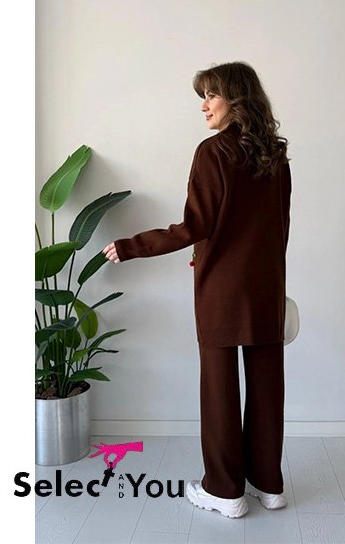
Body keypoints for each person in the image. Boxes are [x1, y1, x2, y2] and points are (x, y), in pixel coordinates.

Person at [103, 61, 292, 518]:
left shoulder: (213, 151)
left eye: (211, 95)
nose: (204, 106)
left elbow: (195, 226)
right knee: (267, 386)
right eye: (202, 97)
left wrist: (130, 247)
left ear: (236, 99)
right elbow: (279, 227)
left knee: (219, 387)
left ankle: (225, 491)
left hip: (223, 288)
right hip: (266, 284)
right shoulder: (275, 154)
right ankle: (268, 484)